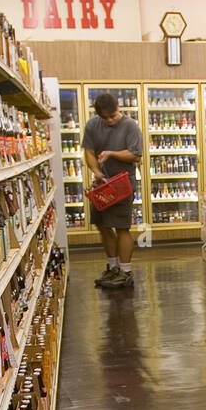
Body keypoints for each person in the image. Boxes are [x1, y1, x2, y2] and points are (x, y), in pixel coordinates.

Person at [83, 92, 144, 290]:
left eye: (113, 116)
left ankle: (126, 272)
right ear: (98, 115)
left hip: (123, 185)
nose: (109, 120)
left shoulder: (130, 126)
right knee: (103, 226)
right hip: (102, 185)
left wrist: (111, 153)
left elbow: (135, 155)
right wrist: (96, 171)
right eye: (105, 117)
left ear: (118, 109)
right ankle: (113, 267)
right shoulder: (92, 125)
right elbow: (89, 151)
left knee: (122, 227)